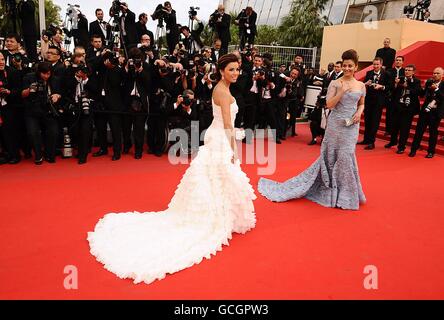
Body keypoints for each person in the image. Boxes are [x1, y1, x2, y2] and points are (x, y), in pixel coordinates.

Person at [88, 54, 256, 284]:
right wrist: (234, 149)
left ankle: (222, 212)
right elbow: (228, 124)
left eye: (237, 69)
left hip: (215, 136)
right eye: (231, 69)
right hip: (221, 138)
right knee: (220, 174)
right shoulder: (224, 93)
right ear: (221, 70)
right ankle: (215, 216)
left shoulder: (220, 88)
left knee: (215, 177)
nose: (236, 73)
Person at [258, 49, 366, 210]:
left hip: (352, 127)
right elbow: (329, 105)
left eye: (351, 66)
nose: (348, 68)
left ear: (356, 67)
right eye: (345, 65)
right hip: (336, 125)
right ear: (342, 66)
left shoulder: (361, 85)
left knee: (346, 155)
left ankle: (346, 192)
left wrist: (359, 113)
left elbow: (361, 103)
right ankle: (329, 189)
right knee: (331, 156)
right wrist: (342, 92)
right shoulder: (336, 83)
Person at [409, 67, 444, 159]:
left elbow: (442, 97)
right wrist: (423, 87)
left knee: (433, 133)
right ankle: (413, 149)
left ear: (442, 75)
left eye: (437, 73)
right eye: (434, 73)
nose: (435, 75)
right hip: (425, 111)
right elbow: (422, 95)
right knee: (419, 131)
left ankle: (431, 152)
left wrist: (436, 89)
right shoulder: (429, 82)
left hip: (435, 113)